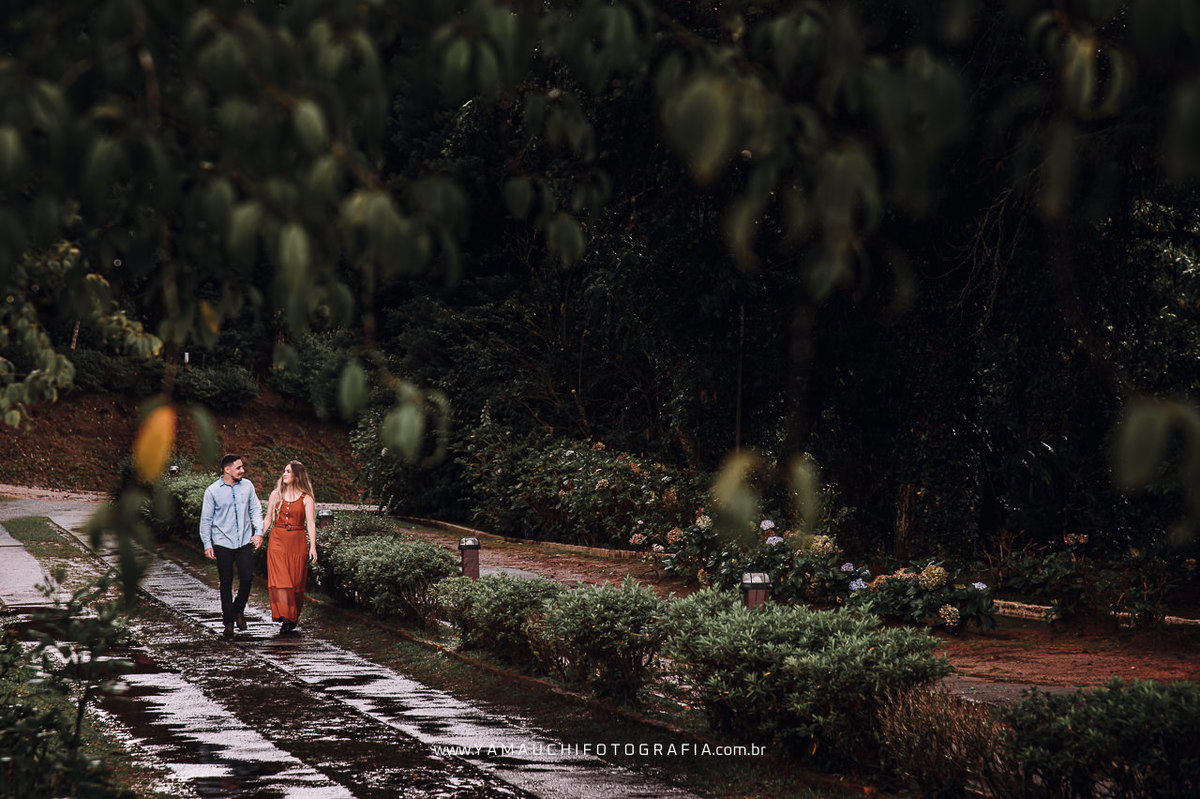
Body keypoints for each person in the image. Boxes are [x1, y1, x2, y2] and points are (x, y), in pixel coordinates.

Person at [199, 454, 264, 638]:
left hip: (244, 540)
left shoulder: (248, 486)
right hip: (222, 542)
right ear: (227, 469)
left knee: (247, 578)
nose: (242, 470)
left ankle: (238, 610)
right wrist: (207, 543)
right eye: (238, 468)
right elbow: (206, 520)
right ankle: (228, 622)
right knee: (225, 581)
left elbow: (255, 509)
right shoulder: (212, 491)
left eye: (242, 467)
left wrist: (258, 532)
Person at [264, 460, 317, 634]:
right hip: (277, 540)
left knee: (295, 582)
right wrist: (259, 535)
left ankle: (292, 616)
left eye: (288, 471)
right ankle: (285, 615)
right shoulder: (275, 494)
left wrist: (313, 546)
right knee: (281, 581)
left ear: (297, 475)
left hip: (297, 541)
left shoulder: (306, 498)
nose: (284, 474)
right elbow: (268, 519)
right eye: (284, 470)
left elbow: (311, 523)